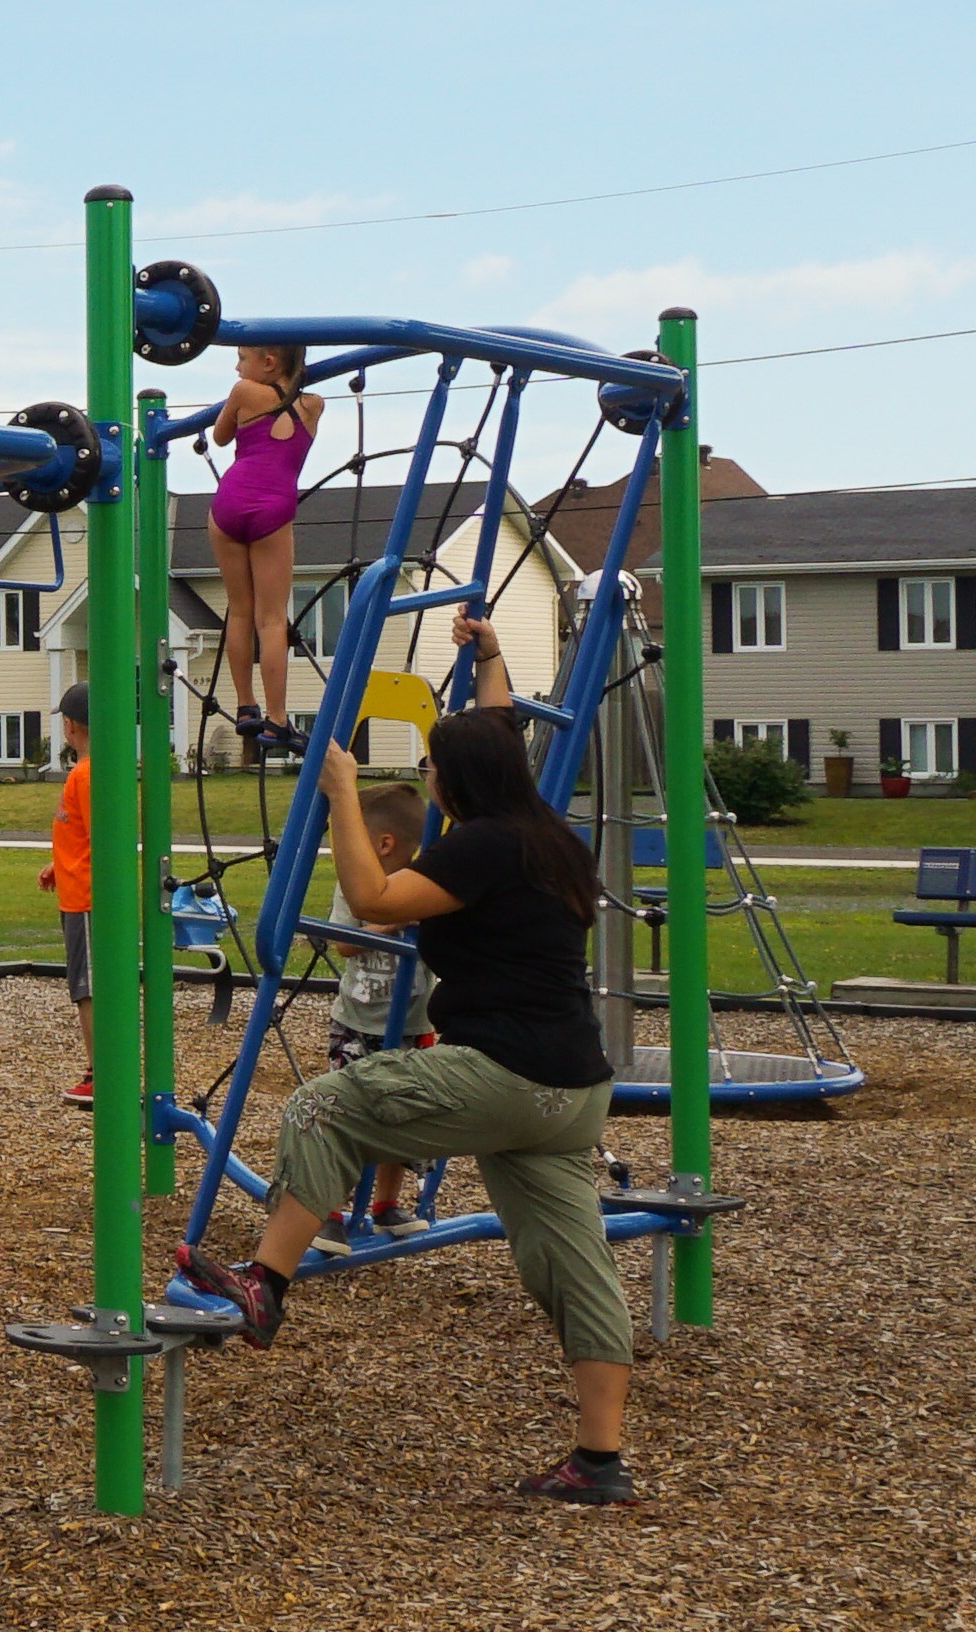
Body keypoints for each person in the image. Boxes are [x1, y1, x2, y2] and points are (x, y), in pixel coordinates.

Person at [171, 615, 644, 1506]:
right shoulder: (548, 834)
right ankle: (600, 1461)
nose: (426, 777)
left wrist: (341, 791)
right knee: (573, 1261)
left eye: (432, 767)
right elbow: (498, 736)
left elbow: (373, 898)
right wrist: (492, 655)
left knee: (322, 1105)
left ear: (456, 783)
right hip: (575, 1091)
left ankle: (265, 1282)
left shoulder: (480, 845)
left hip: (503, 1075)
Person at [318, 778, 441, 1236]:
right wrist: (390, 923)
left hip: (413, 1024)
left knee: (404, 1117)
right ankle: (330, 1210)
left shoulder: (422, 887)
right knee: (347, 1113)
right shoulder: (354, 886)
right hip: (356, 1024)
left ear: (383, 845)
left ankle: (386, 1204)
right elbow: (342, 944)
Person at [204, 341, 321, 763]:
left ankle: (245, 705)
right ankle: (276, 717)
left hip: (229, 503)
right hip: (274, 508)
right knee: (271, 619)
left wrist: (237, 404)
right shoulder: (314, 405)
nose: (237, 369)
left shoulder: (243, 394)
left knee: (239, 609)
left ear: (268, 362)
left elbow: (220, 437)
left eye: (241, 360)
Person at [43, 684, 102, 1106]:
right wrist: (56, 865)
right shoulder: (91, 770)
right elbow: (80, 834)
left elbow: (103, 838)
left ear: (70, 726)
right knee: (88, 985)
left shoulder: (86, 774)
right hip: (75, 889)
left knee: (87, 988)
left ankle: (100, 1072)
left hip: (85, 899)